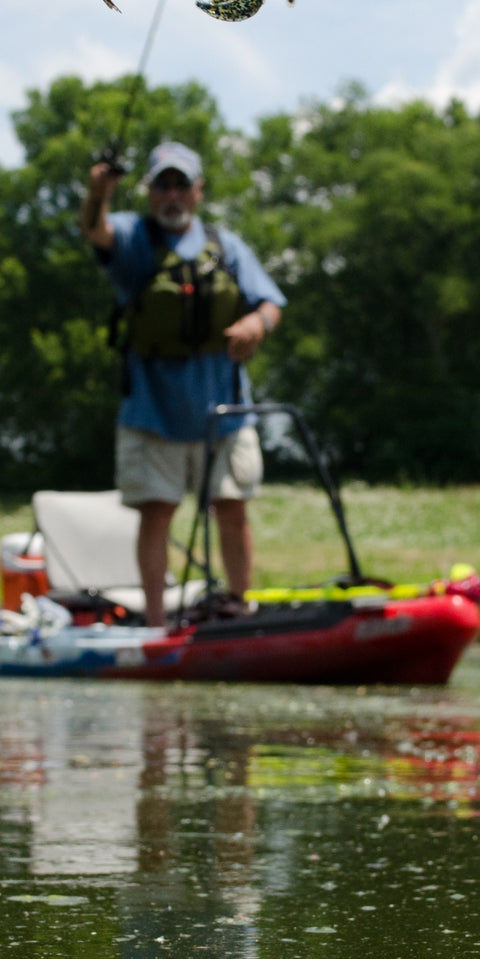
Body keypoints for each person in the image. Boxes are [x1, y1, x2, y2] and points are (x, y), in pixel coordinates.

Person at [80, 140, 285, 626]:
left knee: (232, 508)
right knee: (157, 514)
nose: (171, 194)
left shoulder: (226, 244)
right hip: (153, 412)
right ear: (149, 191)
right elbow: (94, 228)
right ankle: (155, 626)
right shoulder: (134, 238)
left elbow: (270, 302)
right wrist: (97, 191)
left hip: (227, 412)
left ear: (198, 191)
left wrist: (256, 327)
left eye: (181, 184)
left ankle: (239, 606)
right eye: (162, 184)